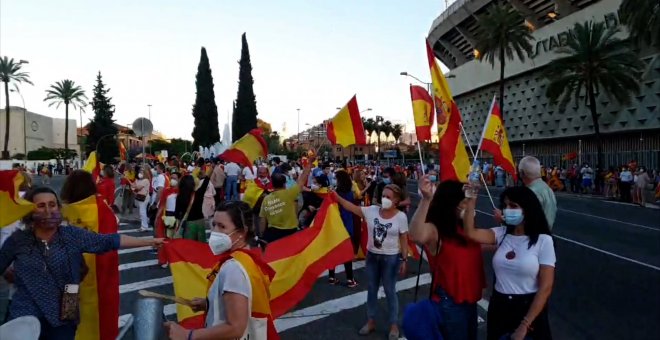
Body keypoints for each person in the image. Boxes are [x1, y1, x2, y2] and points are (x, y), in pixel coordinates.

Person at [0, 186, 164, 340]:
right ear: (30, 211)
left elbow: (110, 240)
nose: (48, 211)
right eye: (41, 206)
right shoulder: (18, 240)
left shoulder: (72, 235)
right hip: (25, 314)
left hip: (66, 308)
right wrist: (9, 273)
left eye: (52, 205)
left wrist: (149, 242)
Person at [164, 201, 277, 340]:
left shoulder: (233, 268)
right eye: (214, 225)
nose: (215, 232)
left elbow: (236, 328)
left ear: (242, 232)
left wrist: (188, 335)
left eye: (222, 226)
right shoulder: (247, 259)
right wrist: (209, 303)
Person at [462, 186, 555, 340]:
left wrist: (525, 325)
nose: (507, 210)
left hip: (528, 310)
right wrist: (471, 200)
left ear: (527, 208)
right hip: (500, 307)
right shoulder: (501, 234)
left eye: (513, 206)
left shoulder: (543, 240)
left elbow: (546, 287)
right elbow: (470, 233)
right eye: (505, 206)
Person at [408, 178, 486, 340]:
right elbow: (416, 235)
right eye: (464, 202)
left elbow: (483, 245)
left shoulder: (465, 227)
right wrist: (426, 199)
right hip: (450, 303)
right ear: (451, 203)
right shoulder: (436, 229)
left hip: (470, 300)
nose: (467, 206)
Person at [333, 184, 408, 340]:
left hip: (391, 258)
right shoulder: (372, 210)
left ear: (396, 201)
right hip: (372, 257)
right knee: (372, 289)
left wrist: (404, 259)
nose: (384, 199)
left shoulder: (401, 217)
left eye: (389, 197)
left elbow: (403, 238)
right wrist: (337, 198)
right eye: (384, 195)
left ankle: (393, 325)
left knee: (390, 291)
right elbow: (351, 207)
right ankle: (371, 321)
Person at [259, 158, 313, 243]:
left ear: (272, 185)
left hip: (273, 233)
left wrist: (262, 235)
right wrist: (310, 163)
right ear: (284, 184)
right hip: (290, 232)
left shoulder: (266, 199)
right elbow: (302, 179)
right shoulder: (290, 193)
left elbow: (263, 219)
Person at [328, 170, 358, 288]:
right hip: (347, 225)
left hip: (336, 225)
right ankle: (350, 279)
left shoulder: (335, 193)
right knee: (347, 253)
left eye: (336, 178)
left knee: (333, 252)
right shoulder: (348, 193)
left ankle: (331, 276)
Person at [514, 156, 557, 230]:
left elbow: (525, 221)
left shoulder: (530, 193)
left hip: (533, 236)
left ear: (522, 173)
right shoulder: (547, 188)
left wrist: (503, 219)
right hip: (545, 235)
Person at [174, 175, 208, 242]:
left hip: (188, 223)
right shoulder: (199, 193)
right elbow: (206, 182)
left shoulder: (180, 196)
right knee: (201, 245)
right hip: (200, 221)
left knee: (189, 245)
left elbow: (176, 214)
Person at [131, 167, 152, 232]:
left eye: (142, 172)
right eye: (140, 172)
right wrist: (133, 186)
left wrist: (133, 186)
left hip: (144, 197)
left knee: (142, 212)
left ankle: (144, 227)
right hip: (140, 197)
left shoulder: (146, 180)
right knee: (142, 212)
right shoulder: (139, 180)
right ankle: (144, 226)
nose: (140, 173)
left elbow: (138, 187)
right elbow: (134, 186)